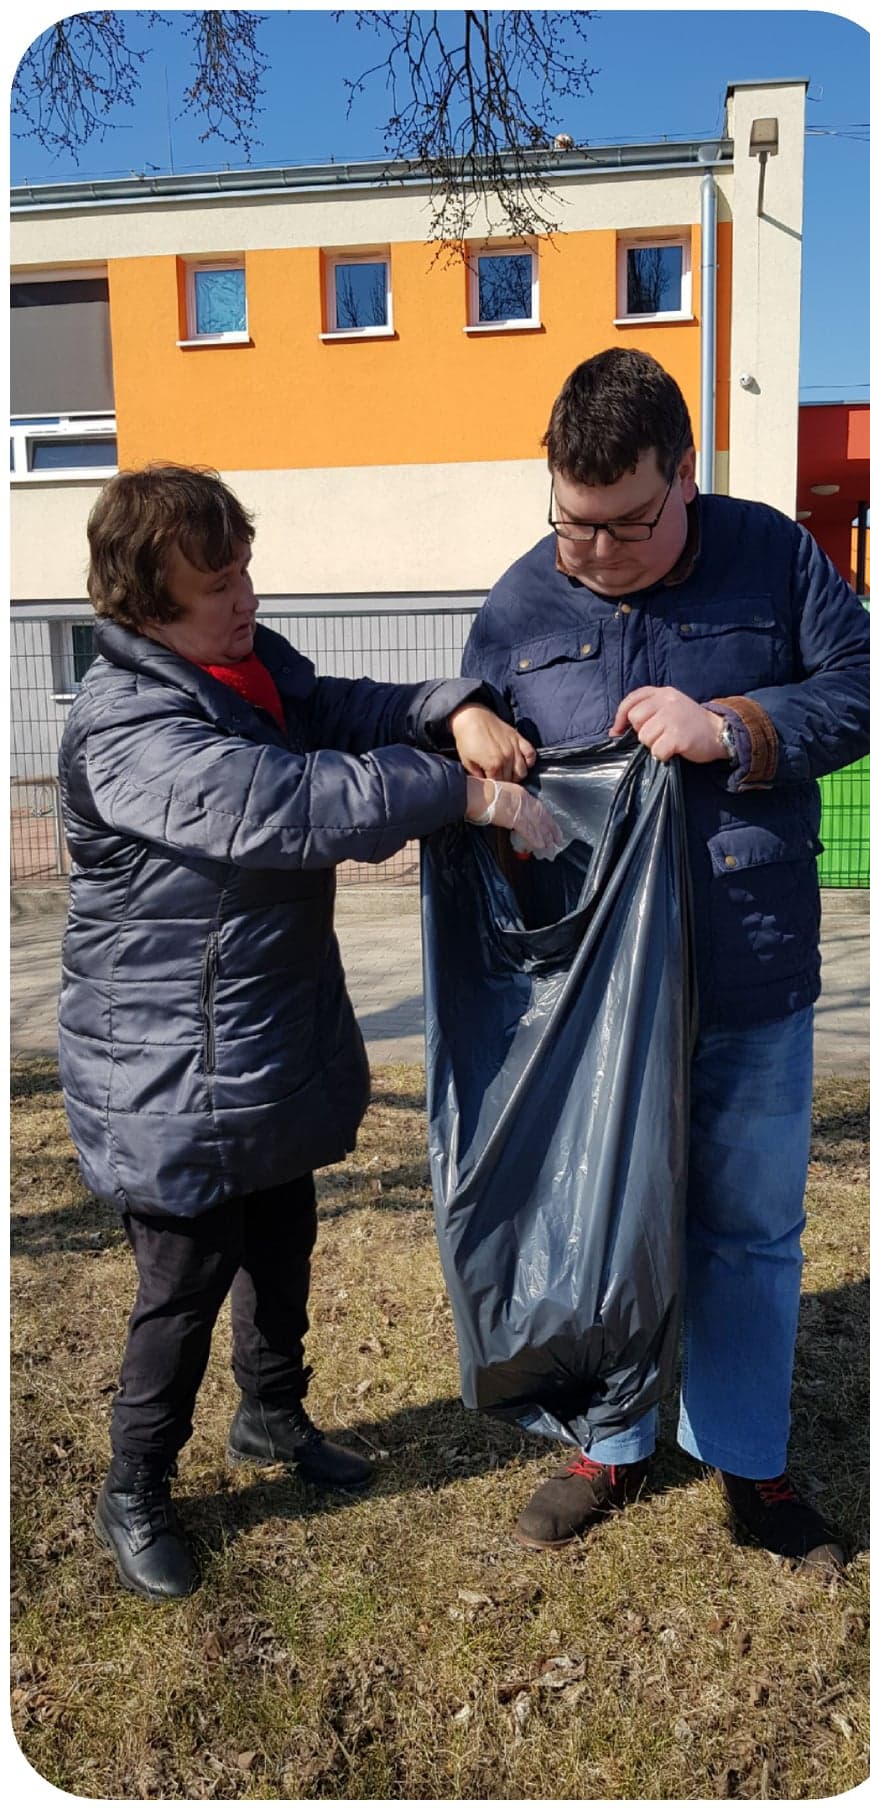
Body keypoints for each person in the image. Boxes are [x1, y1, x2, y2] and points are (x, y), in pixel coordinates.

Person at [60, 464, 559, 1601]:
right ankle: (135, 1485)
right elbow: (283, 804)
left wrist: (450, 706)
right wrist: (460, 792)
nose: (244, 597)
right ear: (143, 605)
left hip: (260, 1034)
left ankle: (272, 1418)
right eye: (215, 585)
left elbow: (335, 707)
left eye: (244, 569)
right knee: (182, 1282)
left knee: (284, 1233)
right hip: (166, 1062)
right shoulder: (131, 725)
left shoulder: (243, 667)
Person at [460, 348, 870, 1567]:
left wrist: (736, 728)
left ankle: (749, 1462)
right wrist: (464, 715)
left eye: (626, 525)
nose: (593, 553)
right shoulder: (521, 596)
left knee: (749, 1226)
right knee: (605, 1216)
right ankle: (610, 1438)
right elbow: (470, 718)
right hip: (591, 1003)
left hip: (749, 968)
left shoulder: (772, 555)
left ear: (685, 478)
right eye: (572, 524)